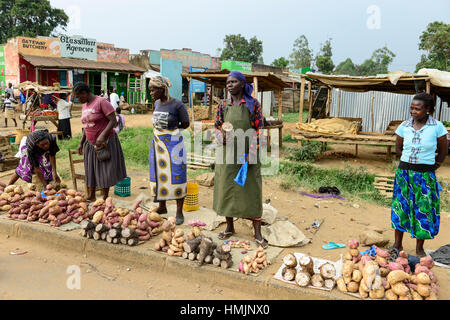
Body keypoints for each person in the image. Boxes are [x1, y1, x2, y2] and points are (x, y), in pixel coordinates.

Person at [213, 71, 267, 248]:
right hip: (227, 156)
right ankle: (229, 227)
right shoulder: (222, 105)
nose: (229, 85)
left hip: (246, 155)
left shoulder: (253, 105)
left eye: (233, 82)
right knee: (227, 188)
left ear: (242, 84)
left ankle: (257, 232)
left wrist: (251, 154)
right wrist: (220, 137)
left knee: (251, 190)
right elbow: (217, 126)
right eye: (228, 82)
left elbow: (259, 130)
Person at [391, 93, 448, 257]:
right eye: (412, 108)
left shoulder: (437, 127)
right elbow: (398, 148)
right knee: (400, 207)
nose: (413, 111)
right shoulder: (404, 126)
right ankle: (397, 244)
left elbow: (444, 151)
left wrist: (433, 165)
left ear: (428, 109)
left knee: (423, 210)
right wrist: (408, 162)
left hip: (425, 176)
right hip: (404, 174)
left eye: (418, 108)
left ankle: (419, 248)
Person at [74, 82, 127, 202]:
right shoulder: (84, 105)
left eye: (78, 96)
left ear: (85, 93)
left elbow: (113, 120)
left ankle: (105, 197)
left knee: (104, 170)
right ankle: (91, 195)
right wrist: (81, 142)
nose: (77, 99)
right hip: (90, 143)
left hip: (105, 142)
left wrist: (102, 136)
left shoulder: (101, 102)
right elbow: (86, 126)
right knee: (90, 170)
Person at [148, 76, 190, 225]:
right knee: (159, 174)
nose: (151, 94)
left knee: (177, 174)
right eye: (150, 91)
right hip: (158, 144)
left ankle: (179, 211)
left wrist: (171, 131)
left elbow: (185, 123)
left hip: (173, 145)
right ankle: (162, 206)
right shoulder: (157, 103)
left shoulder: (177, 105)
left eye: (153, 90)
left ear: (162, 89)